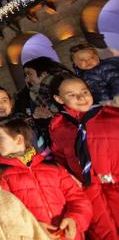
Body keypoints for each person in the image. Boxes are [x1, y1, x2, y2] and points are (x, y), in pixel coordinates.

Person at [0, 118, 92, 240]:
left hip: (67, 235)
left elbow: (78, 198)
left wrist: (74, 219)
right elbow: (6, 212)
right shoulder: (0, 173)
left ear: (19, 139)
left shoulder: (52, 167)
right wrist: (33, 227)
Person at [49, 74, 119, 240]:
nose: (81, 98)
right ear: (59, 99)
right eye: (71, 95)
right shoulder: (58, 127)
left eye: (84, 92)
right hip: (90, 194)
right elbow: (61, 160)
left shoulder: (112, 116)